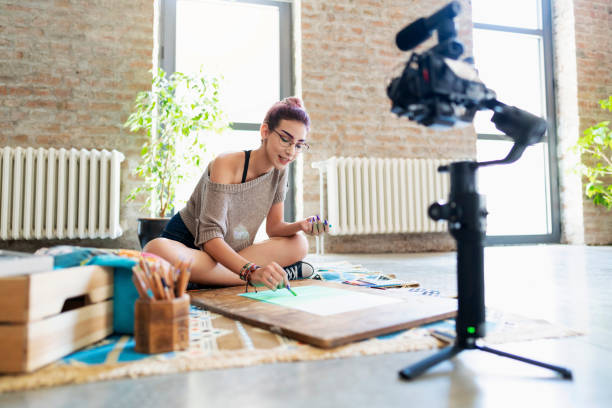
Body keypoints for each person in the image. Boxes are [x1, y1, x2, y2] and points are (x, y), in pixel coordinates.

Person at [144, 97, 329, 291]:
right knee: (155, 250)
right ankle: (228, 277)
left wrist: (301, 225)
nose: (291, 152)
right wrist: (252, 272)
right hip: (192, 245)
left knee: (299, 243)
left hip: (229, 254)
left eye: (299, 145)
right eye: (285, 139)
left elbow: (274, 228)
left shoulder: (280, 170)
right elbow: (209, 239)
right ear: (265, 131)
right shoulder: (226, 163)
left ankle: (201, 279)